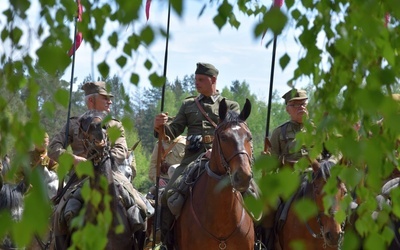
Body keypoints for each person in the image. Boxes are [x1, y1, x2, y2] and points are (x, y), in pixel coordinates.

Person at [153, 62, 240, 248]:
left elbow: (234, 133)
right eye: (195, 79)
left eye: (201, 80)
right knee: (167, 195)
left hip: (223, 162)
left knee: (253, 193)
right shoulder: (189, 105)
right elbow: (173, 131)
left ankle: (258, 240)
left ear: (213, 80)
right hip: (192, 160)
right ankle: (168, 241)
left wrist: (216, 150)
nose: (197, 83)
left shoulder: (231, 106)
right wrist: (159, 126)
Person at [48, 81, 128, 169]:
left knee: (126, 183)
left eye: (110, 98)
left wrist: (102, 160)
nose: (110, 102)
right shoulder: (74, 123)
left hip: (110, 172)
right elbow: (53, 148)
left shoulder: (115, 125)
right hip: (80, 175)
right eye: (105, 98)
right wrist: (73, 159)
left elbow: (121, 150)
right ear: (91, 100)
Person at [28, 132, 59, 199]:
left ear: (48, 142)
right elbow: (18, 175)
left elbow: (54, 179)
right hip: (26, 193)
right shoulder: (27, 157)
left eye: (44, 142)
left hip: (46, 195)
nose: (41, 144)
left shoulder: (52, 158)